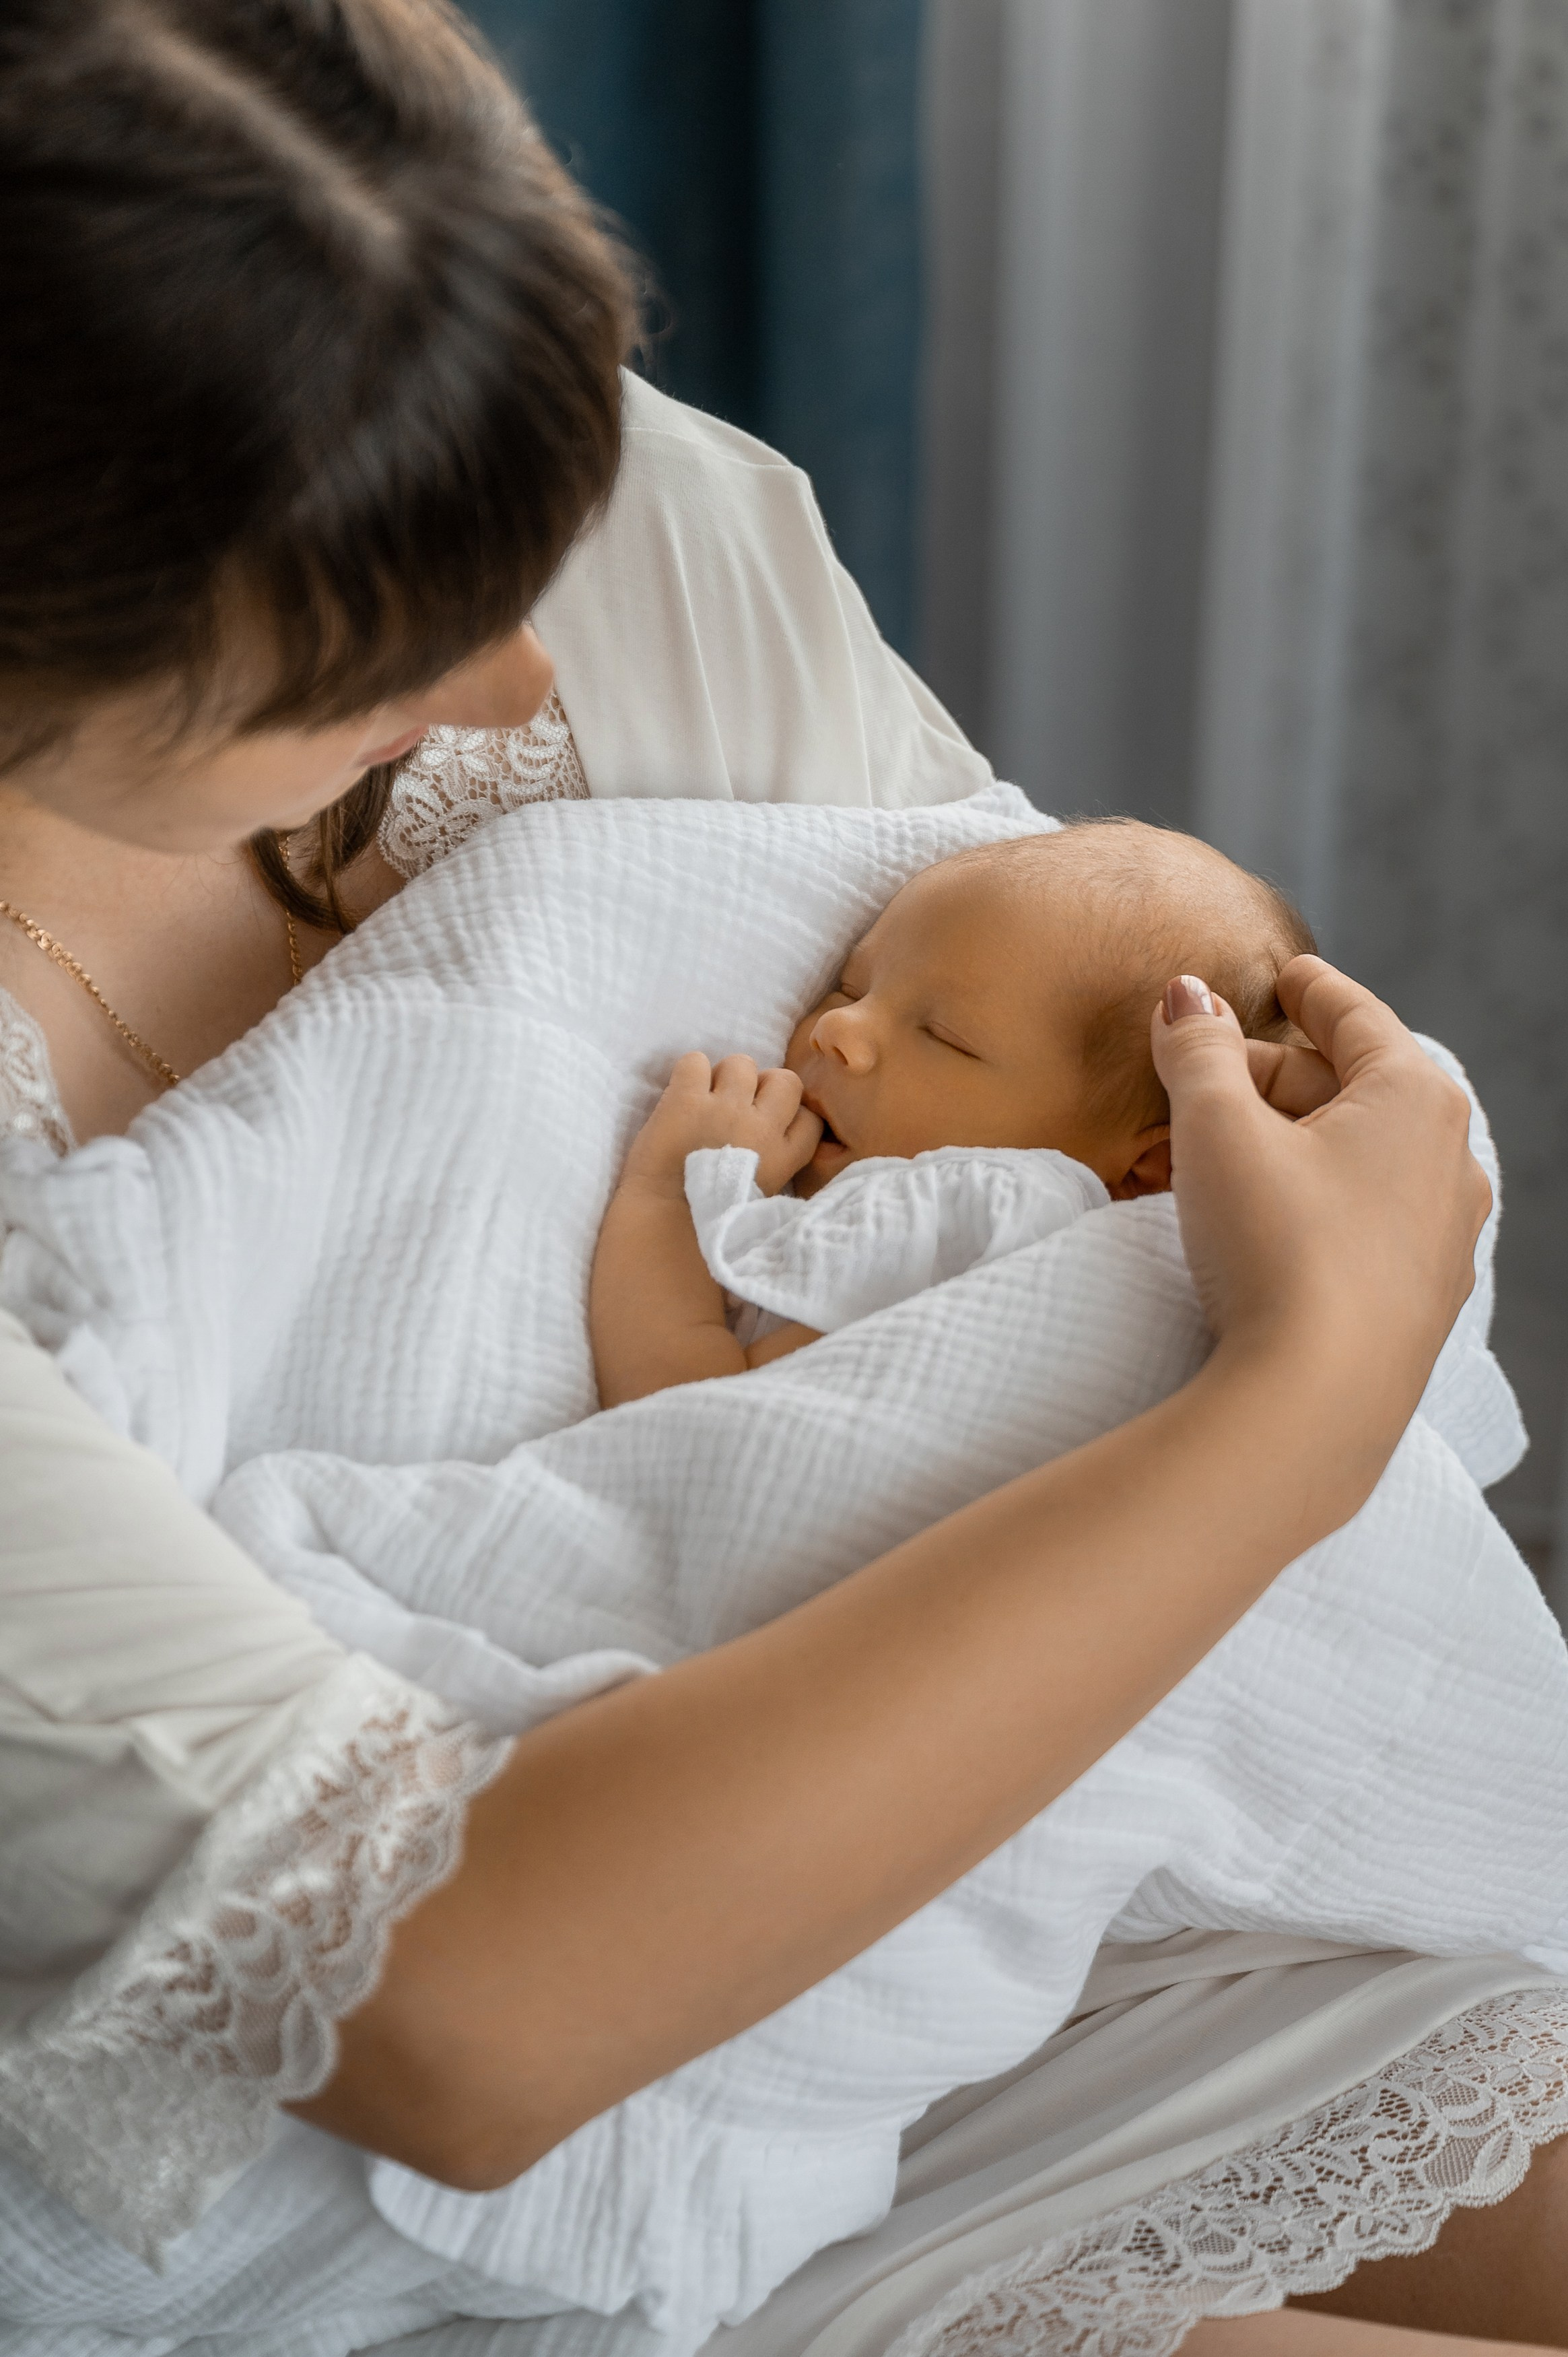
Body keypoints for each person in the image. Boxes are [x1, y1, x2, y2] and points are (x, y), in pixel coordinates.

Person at [0, 4, 1563, 2354]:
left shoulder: (597, 508)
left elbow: (1092, 1068)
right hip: (436, 2113)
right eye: (379, 649)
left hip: (1025, 1830)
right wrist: (1293, 1402)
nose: (533, 678)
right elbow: (455, 2021)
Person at [590, 820, 1318, 1396]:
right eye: (852, 985)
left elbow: (685, 1408)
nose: (839, 1027)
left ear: (1142, 1170)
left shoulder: (980, 1210)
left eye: (944, 1036)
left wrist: (666, 1189)